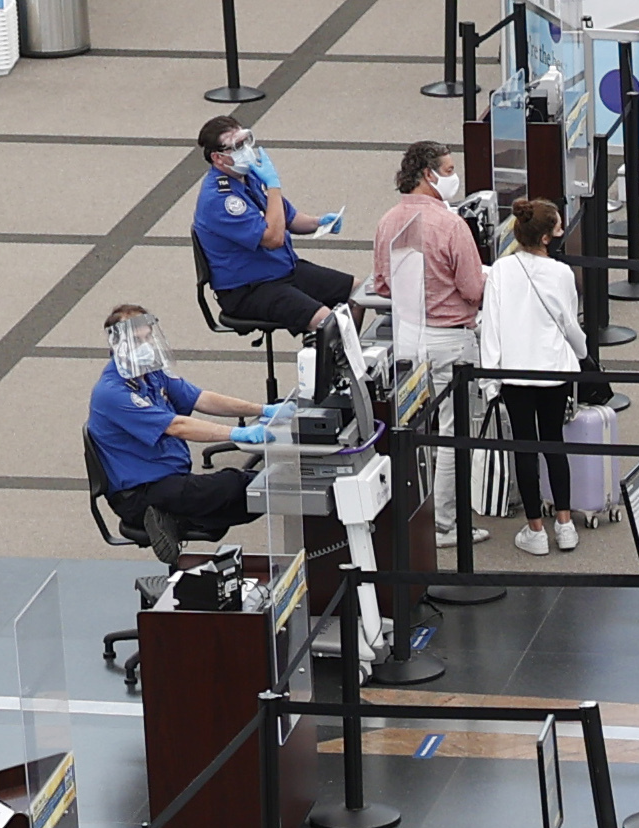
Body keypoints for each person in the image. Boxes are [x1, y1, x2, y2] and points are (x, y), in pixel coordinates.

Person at [84, 305, 276, 558]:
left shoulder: (151, 375)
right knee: (241, 486)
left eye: (148, 337)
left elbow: (201, 399)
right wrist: (237, 434)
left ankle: (175, 520)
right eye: (138, 340)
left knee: (246, 499)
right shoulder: (113, 392)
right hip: (140, 493)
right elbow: (178, 426)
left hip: (169, 481)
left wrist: (262, 409)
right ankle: (163, 517)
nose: (146, 345)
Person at [372, 139, 487, 541]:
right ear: (428, 173)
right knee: (453, 436)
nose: (455, 178)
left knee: (413, 433)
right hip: (450, 342)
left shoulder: (388, 221)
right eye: (450, 170)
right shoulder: (452, 225)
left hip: (407, 338)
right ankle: (444, 523)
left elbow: (382, 284)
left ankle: (413, 520)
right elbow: (473, 289)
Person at [481, 193, 589, 554]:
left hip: (515, 372)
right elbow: (569, 323)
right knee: (554, 443)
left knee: (524, 448)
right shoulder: (561, 273)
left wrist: (490, 378)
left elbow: (491, 326)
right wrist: (582, 353)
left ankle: (535, 529)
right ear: (546, 237)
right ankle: (565, 523)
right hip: (554, 370)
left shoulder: (500, 270)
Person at [191, 119, 350, 338]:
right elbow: (274, 238)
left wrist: (319, 222)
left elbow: (288, 218)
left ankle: (340, 355)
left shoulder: (249, 177)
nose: (245, 150)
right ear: (217, 157)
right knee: (328, 322)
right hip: (249, 288)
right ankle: (328, 354)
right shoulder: (220, 199)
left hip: (282, 270)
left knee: (357, 294)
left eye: (245, 141)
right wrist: (274, 186)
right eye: (236, 146)